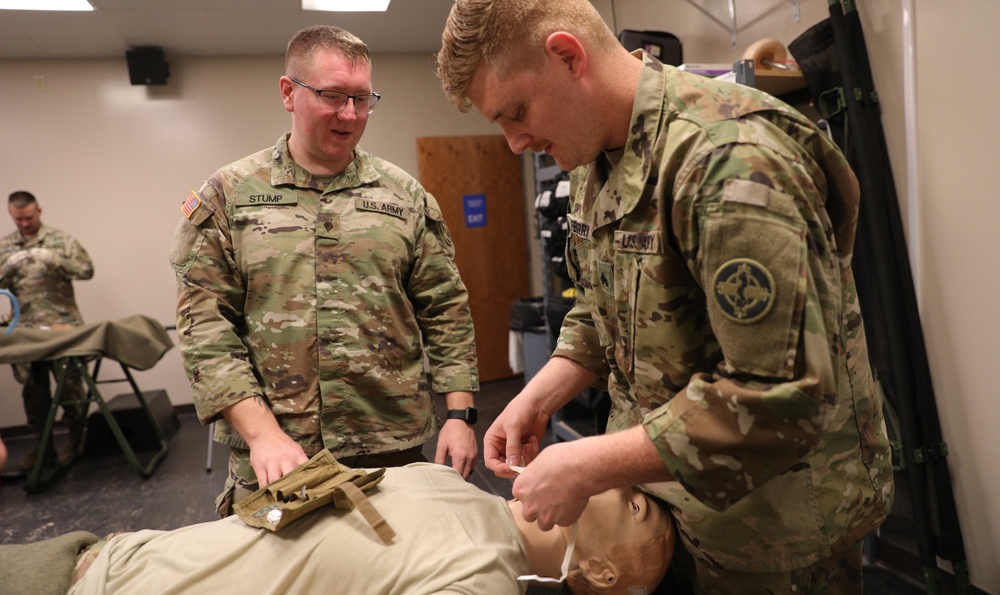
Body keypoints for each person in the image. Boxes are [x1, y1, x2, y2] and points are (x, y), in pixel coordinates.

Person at [436, 0, 894, 593]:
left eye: (516, 112)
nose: (515, 143)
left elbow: (782, 396)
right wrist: (536, 397)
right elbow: (601, 310)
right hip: (671, 506)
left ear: (569, 57)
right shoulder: (595, 160)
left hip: (776, 531)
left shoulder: (728, 161)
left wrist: (588, 463)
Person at [170, 25, 480, 517]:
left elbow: (445, 310)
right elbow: (205, 328)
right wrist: (261, 434)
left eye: (362, 99)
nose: (350, 115)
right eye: (333, 96)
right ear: (288, 93)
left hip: (391, 444)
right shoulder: (229, 196)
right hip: (277, 453)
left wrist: (460, 415)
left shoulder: (404, 197)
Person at [0, 462, 674, 595]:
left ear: (606, 572)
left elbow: (265, 519)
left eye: (635, 502)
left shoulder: (474, 566)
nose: (615, 476)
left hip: (109, 562)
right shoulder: (462, 516)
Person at [0, 191, 94, 470]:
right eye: (19, 219)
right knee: (34, 391)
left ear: (39, 211)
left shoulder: (60, 240)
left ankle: (76, 444)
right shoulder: (5, 246)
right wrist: (7, 266)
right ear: (10, 215)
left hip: (61, 326)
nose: (25, 223)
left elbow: (86, 269)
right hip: (26, 330)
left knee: (70, 389)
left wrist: (53, 259)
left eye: (29, 217)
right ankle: (43, 449)